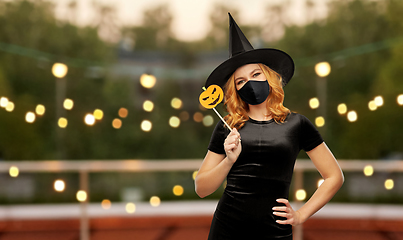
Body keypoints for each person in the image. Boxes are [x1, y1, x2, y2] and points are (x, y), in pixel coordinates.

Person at [195, 13, 344, 240]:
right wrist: (228, 160)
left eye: (256, 74)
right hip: (227, 229)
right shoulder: (228, 126)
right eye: (241, 81)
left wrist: (301, 214)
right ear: (235, 90)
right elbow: (202, 188)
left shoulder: (297, 124)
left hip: (275, 231)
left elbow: (334, 176)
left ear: (269, 77)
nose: (250, 83)